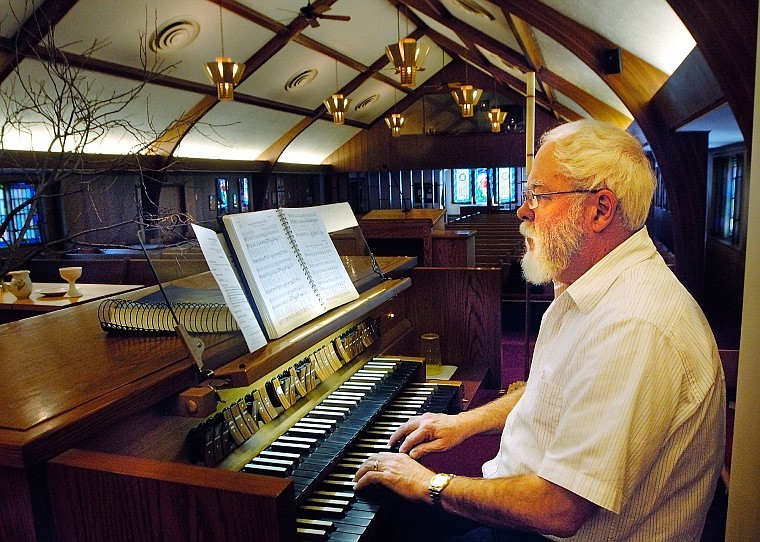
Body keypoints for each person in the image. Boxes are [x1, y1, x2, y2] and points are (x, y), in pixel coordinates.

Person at [353, 119, 726, 541]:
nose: (522, 209)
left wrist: (430, 484)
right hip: (521, 509)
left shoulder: (632, 324)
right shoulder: (584, 288)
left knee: (387, 524)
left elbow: (559, 509)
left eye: (539, 195)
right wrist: (463, 424)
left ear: (599, 210)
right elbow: (548, 396)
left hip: (543, 529)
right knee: (384, 510)